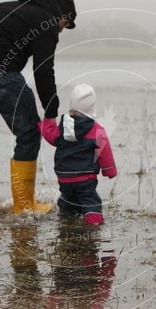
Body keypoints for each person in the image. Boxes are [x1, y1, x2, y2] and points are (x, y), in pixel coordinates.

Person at [0, 0, 76, 216]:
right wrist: (51, 112)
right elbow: (43, 69)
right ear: (63, 15)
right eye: (66, 23)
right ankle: (23, 207)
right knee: (29, 134)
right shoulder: (47, 22)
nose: (63, 28)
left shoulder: (4, 6)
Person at [38, 83, 117, 226]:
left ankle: (66, 215)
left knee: (68, 198)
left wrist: (43, 123)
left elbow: (50, 135)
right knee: (90, 201)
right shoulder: (97, 129)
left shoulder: (63, 127)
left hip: (64, 177)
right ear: (92, 106)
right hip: (85, 178)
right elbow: (105, 152)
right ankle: (93, 223)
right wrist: (109, 170)